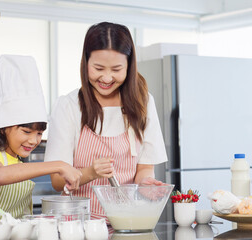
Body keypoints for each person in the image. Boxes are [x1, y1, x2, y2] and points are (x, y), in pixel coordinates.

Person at [44, 22, 168, 219]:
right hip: (77, 225)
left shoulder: (142, 103)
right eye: (99, 68)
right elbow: (58, 181)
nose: (107, 77)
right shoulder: (69, 106)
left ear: (129, 65)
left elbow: (145, 169)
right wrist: (91, 172)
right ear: (85, 63)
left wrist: (145, 184)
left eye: (117, 69)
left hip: (125, 222)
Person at [0, 55, 82, 230]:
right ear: (4, 128)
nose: (33, 140)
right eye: (26, 131)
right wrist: (59, 165)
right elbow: (0, 176)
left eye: (39, 133)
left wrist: (65, 195)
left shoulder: (18, 163)